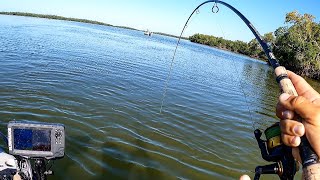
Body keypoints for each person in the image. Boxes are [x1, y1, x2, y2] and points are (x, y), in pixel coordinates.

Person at [240, 70, 320, 180]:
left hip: (292, 158)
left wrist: (258, 139)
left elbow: (266, 156)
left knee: (259, 169)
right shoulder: (291, 153)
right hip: (296, 157)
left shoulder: (283, 155)